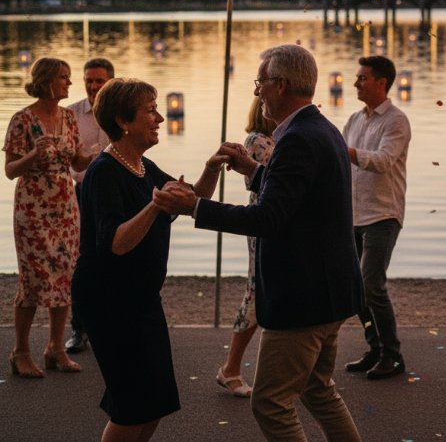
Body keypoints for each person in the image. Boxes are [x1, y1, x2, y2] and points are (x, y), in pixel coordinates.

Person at [153, 44, 364, 442]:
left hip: (304, 298)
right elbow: (298, 197)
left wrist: (195, 205)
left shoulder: (298, 138)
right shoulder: (321, 128)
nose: (257, 92)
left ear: (281, 85)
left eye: (261, 83)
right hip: (332, 291)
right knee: (318, 391)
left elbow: (268, 218)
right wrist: (252, 169)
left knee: (270, 403)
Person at [71, 78, 223, 442]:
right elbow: (116, 243)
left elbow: (193, 198)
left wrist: (213, 166)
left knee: (155, 402)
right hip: (109, 302)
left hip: (142, 301)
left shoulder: (143, 165)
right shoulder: (105, 172)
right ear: (124, 121)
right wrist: (155, 205)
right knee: (131, 407)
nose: (158, 117)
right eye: (149, 110)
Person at [4, 57, 94, 378]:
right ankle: (20, 352)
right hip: (33, 208)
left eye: (69, 78)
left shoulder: (69, 118)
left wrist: (95, 156)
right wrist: (32, 155)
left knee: (65, 276)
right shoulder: (23, 120)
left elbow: (78, 161)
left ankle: (55, 348)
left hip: (66, 206)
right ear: (46, 81)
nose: (69, 84)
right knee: (32, 280)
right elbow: (10, 170)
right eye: (63, 78)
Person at [342, 55, 412, 380]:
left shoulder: (396, 121)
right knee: (355, 288)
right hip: (353, 215)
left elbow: (383, 161)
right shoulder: (355, 120)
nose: (356, 82)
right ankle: (374, 347)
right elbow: (342, 164)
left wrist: (348, 154)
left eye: (362, 78)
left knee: (371, 284)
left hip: (384, 213)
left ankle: (393, 355)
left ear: (381, 83)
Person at [216, 97, 277, 397]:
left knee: (266, 292)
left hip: (276, 224)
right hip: (262, 224)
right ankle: (230, 369)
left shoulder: (279, 138)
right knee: (255, 292)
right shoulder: (258, 140)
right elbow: (256, 181)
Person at [65, 57, 115, 355]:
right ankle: (79, 329)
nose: (94, 86)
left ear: (111, 80)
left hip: (113, 193)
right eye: (89, 80)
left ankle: (111, 325)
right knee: (82, 261)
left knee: (113, 255)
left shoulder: (120, 112)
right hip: (81, 192)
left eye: (99, 80)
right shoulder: (71, 114)